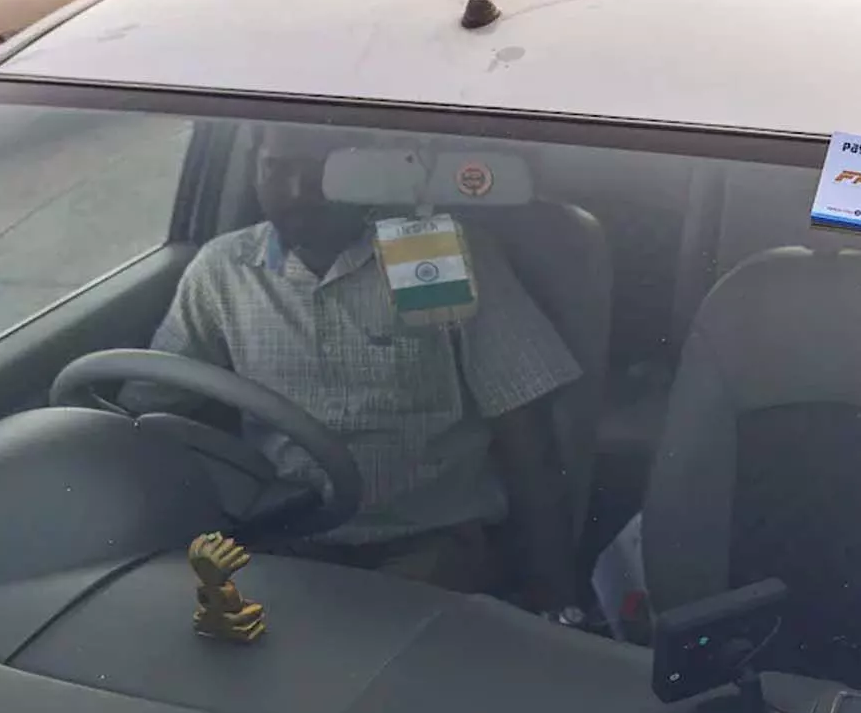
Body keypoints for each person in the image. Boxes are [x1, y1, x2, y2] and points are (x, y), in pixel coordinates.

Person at [128, 125, 585, 609]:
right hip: (283, 536)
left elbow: (524, 434)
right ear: (254, 169)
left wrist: (553, 594)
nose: (299, 191)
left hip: (427, 540)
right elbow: (148, 405)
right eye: (277, 169)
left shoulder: (427, 256)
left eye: (324, 170)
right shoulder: (225, 271)